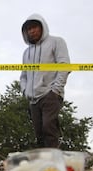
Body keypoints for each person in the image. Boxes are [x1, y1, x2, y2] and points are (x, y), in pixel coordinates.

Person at [20, 14, 71, 148]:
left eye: (34, 27)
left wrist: (55, 90)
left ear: (42, 27)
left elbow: (65, 66)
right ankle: (43, 164)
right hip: (33, 99)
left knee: (49, 127)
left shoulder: (56, 42)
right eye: (28, 29)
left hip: (50, 94)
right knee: (39, 133)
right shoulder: (26, 52)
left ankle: (54, 163)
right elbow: (23, 75)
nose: (31, 31)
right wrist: (25, 91)